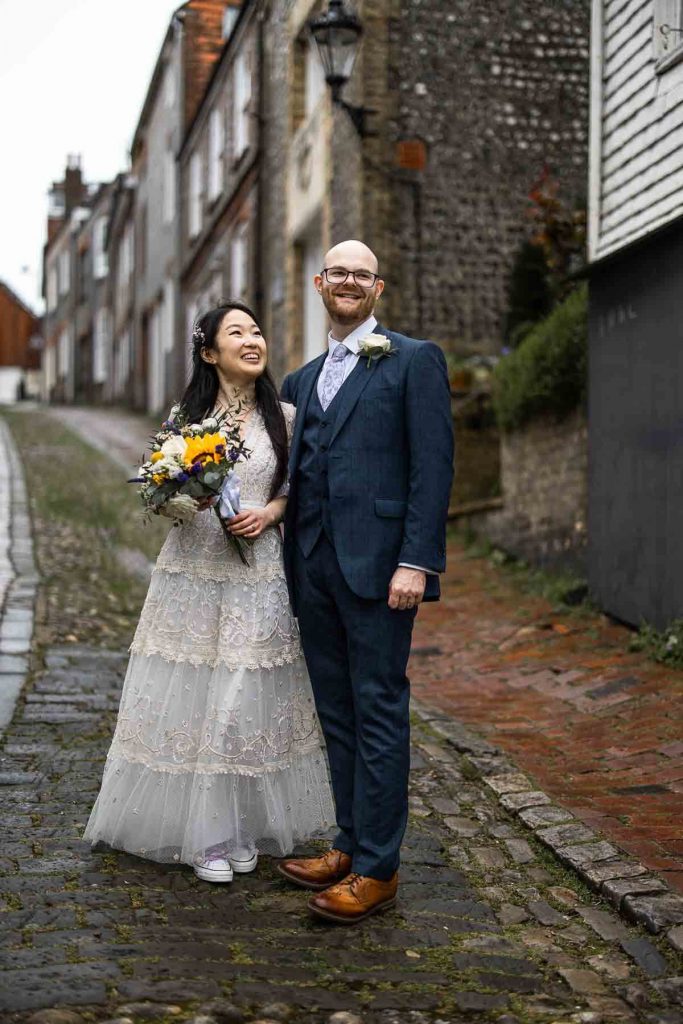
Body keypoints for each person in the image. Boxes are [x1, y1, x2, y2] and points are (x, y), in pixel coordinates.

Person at [83, 302, 335, 882]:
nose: (252, 340)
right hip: (192, 572)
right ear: (209, 353)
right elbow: (157, 496)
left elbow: (300, 488)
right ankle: (209, 838)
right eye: (236, 333)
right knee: (196, 695)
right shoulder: (185, 417)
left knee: (242, 699)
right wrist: (184, 499)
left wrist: (271, 511)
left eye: (256, 331)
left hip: (257, 573)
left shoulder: (287, 417)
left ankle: (239, 825)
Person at [279, 240, 454, 923]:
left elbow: (431, 469)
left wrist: (417, 561)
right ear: (320, 283)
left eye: (362, 273)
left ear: (376, 287)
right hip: (312, 566)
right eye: (338, 272)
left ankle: (378, 868)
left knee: (377, 709)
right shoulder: (299, 381)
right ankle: (348, 845)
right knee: (336, 714)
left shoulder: (412, 360)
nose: (348, 281)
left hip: (382, 571)